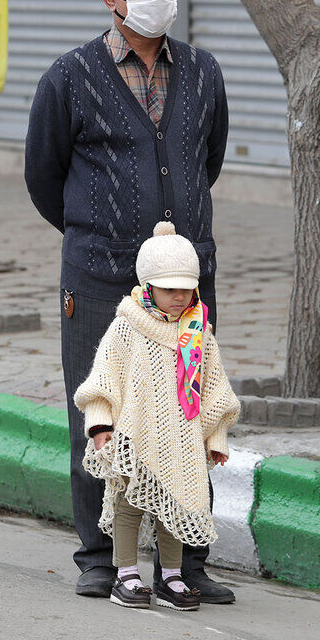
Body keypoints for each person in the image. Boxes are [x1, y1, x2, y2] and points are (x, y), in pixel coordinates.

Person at [24, 0, 235, 602]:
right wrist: (98, 231)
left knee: (188, 415)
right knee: (100, 411)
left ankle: (188, 561)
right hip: (98, 275)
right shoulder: (69, 76)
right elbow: (43, 175)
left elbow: (210, 158)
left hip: (183, 281)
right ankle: (99, 556)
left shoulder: (203, 72)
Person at [76, 223, 240, 611]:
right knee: (128, 505)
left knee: (175, 506)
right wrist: (101, 425)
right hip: (135, 436)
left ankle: (170, 576)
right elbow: (104, 378)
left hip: (181, 440)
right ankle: (126, 574)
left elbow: (213, 388)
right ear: (148, 287)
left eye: (186, 289)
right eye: (169, 289)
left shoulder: (198, 332)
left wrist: (215, 438)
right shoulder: (127, 327)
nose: (179, 297)